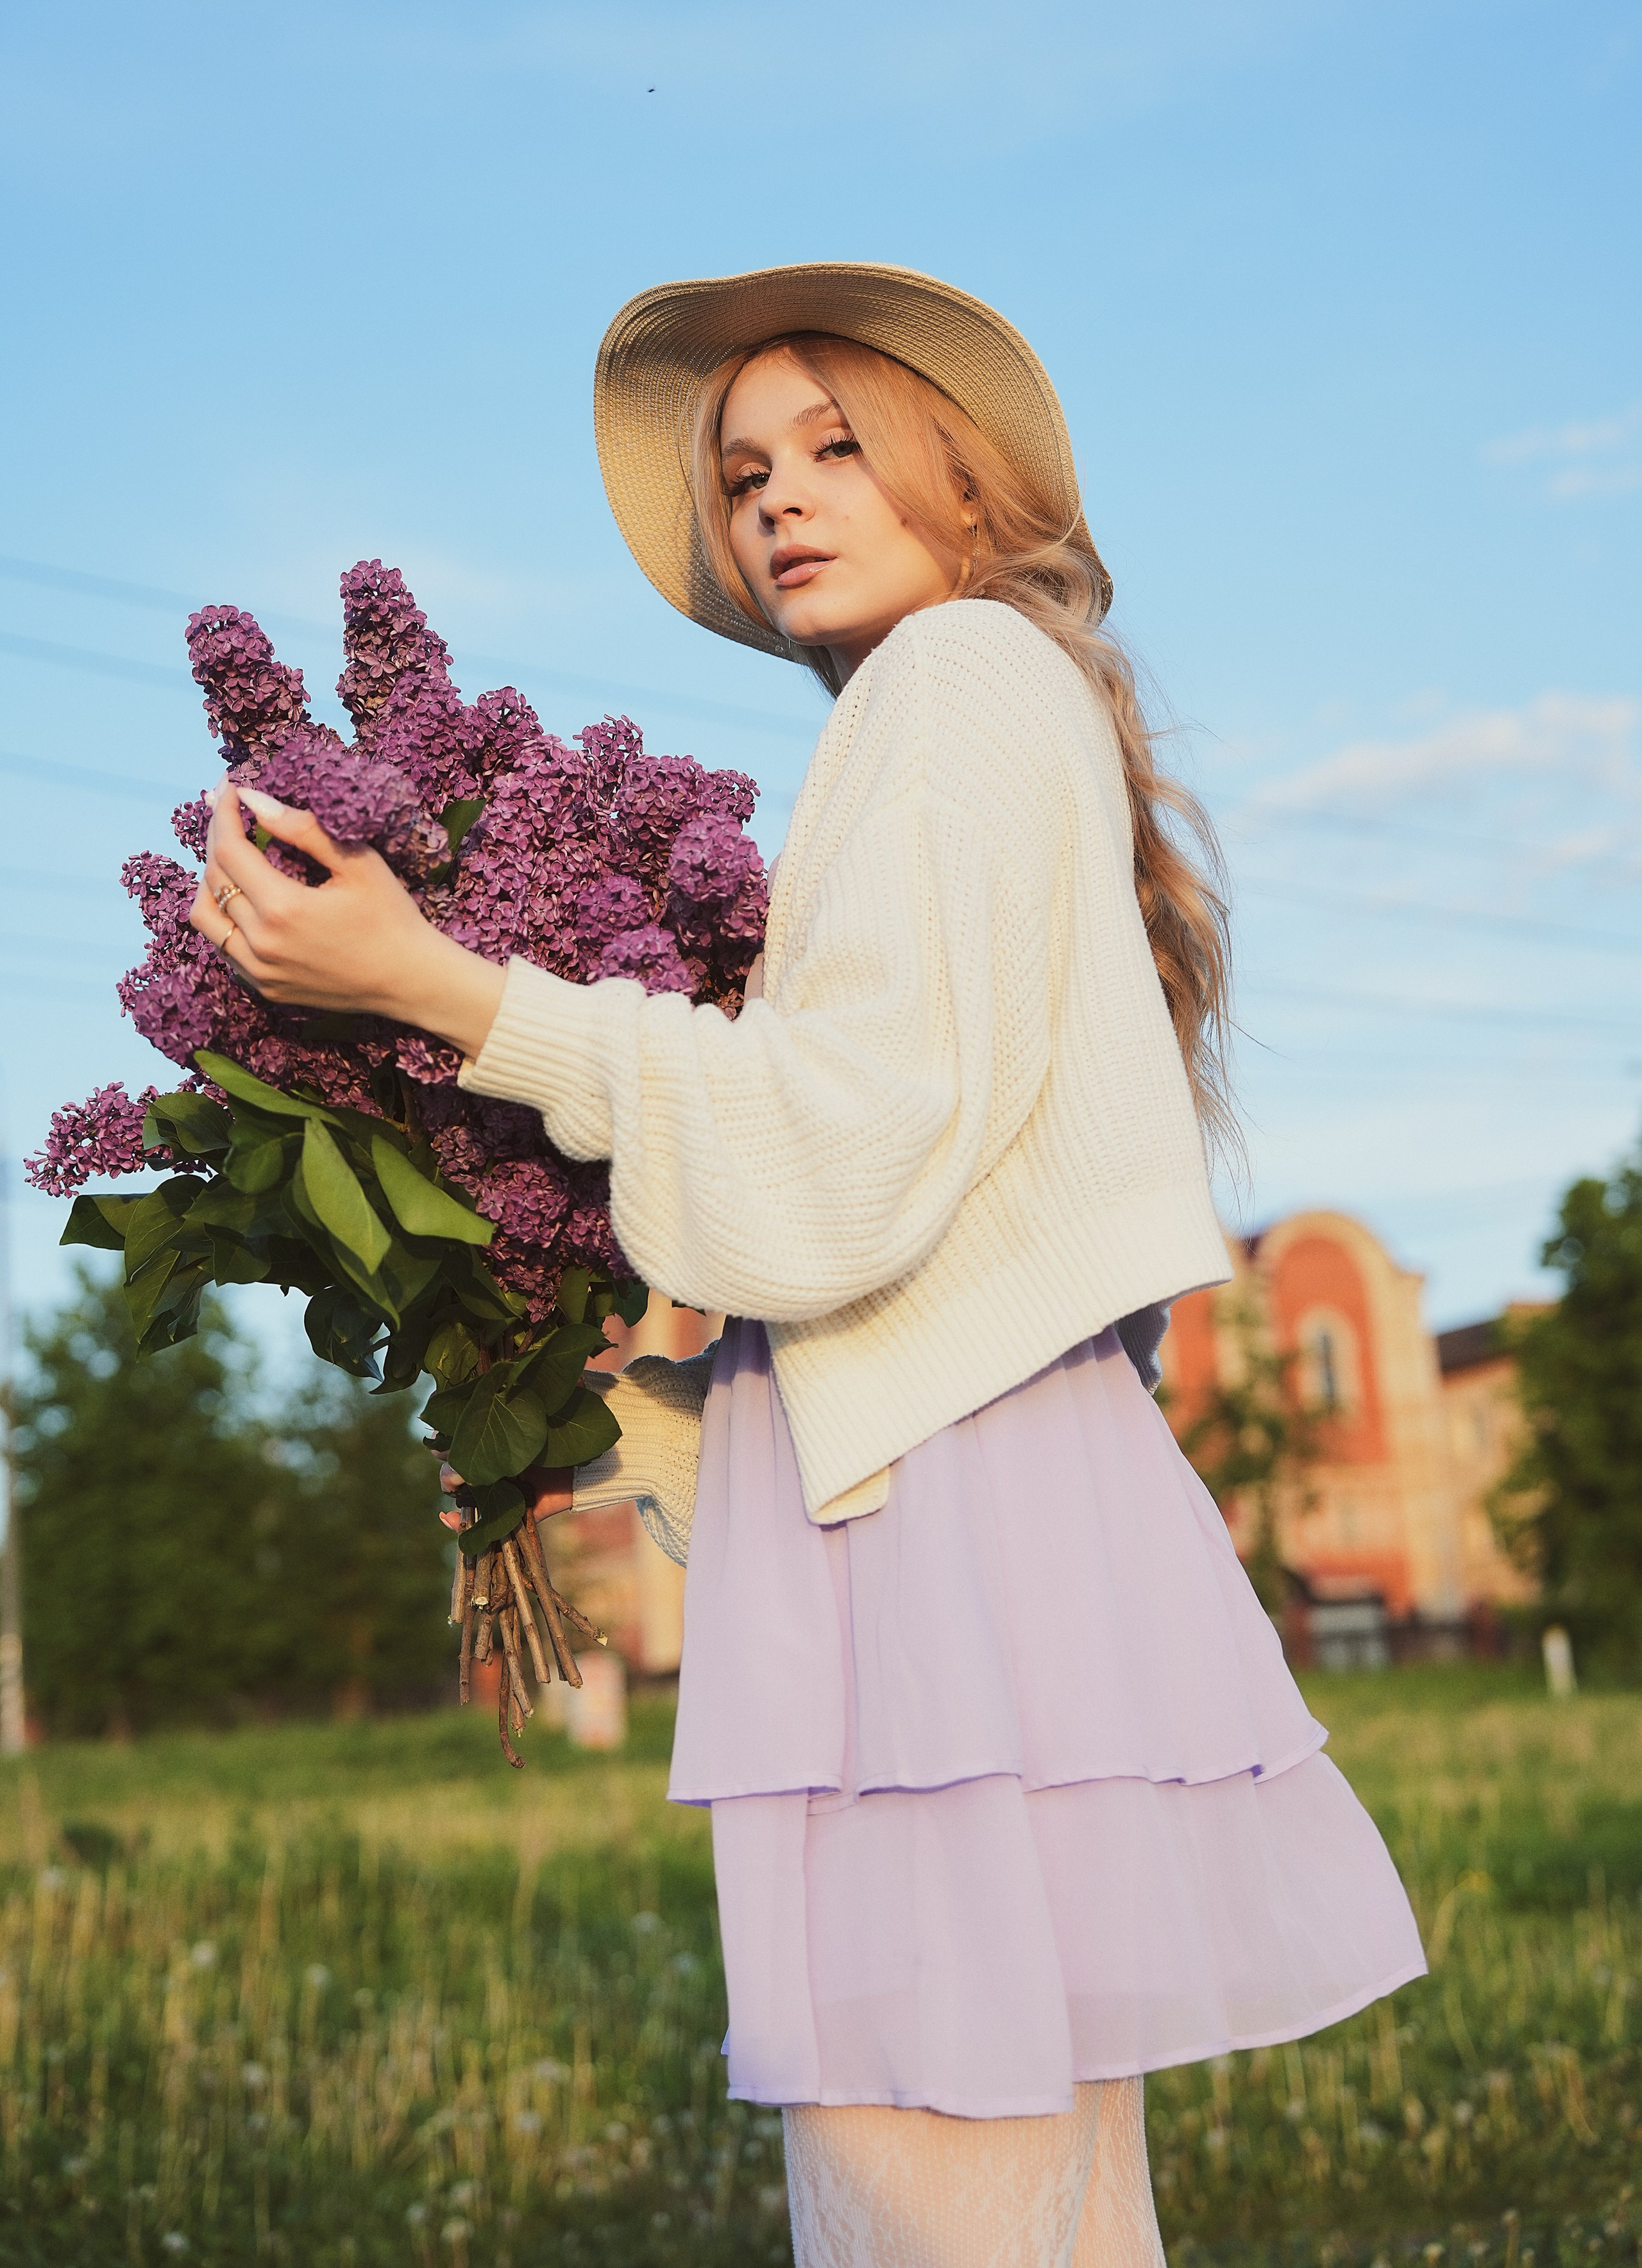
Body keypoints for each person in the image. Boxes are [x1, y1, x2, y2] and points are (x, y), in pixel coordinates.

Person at [191, 262, 1426, 2266]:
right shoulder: (973, 711)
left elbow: (841, 1159)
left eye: (838, 448)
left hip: (935, 1530)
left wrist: (440, 987)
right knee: (1008, 2185)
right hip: (974, 1491)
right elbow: (886, 1205)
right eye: (747, 468)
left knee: (924, 2178)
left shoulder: (948, 687)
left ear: (970, 484)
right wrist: (598, 1389)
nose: (777, 496)